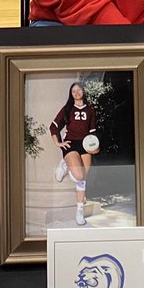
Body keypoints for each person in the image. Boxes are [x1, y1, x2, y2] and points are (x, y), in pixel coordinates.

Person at [50, 82, 99, 226]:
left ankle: (79, 212)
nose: (77, 93)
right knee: (79, 175)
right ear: (71, 94)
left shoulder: (90, 110)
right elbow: (54, 126)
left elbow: (92, 132)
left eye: (79, 90)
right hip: (70, 143)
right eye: (73, 91)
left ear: (83, 92)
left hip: (85, 145)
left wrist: (95, 147)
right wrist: (58, 143)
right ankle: (65, 163)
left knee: (83, 178)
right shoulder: (67, 109)